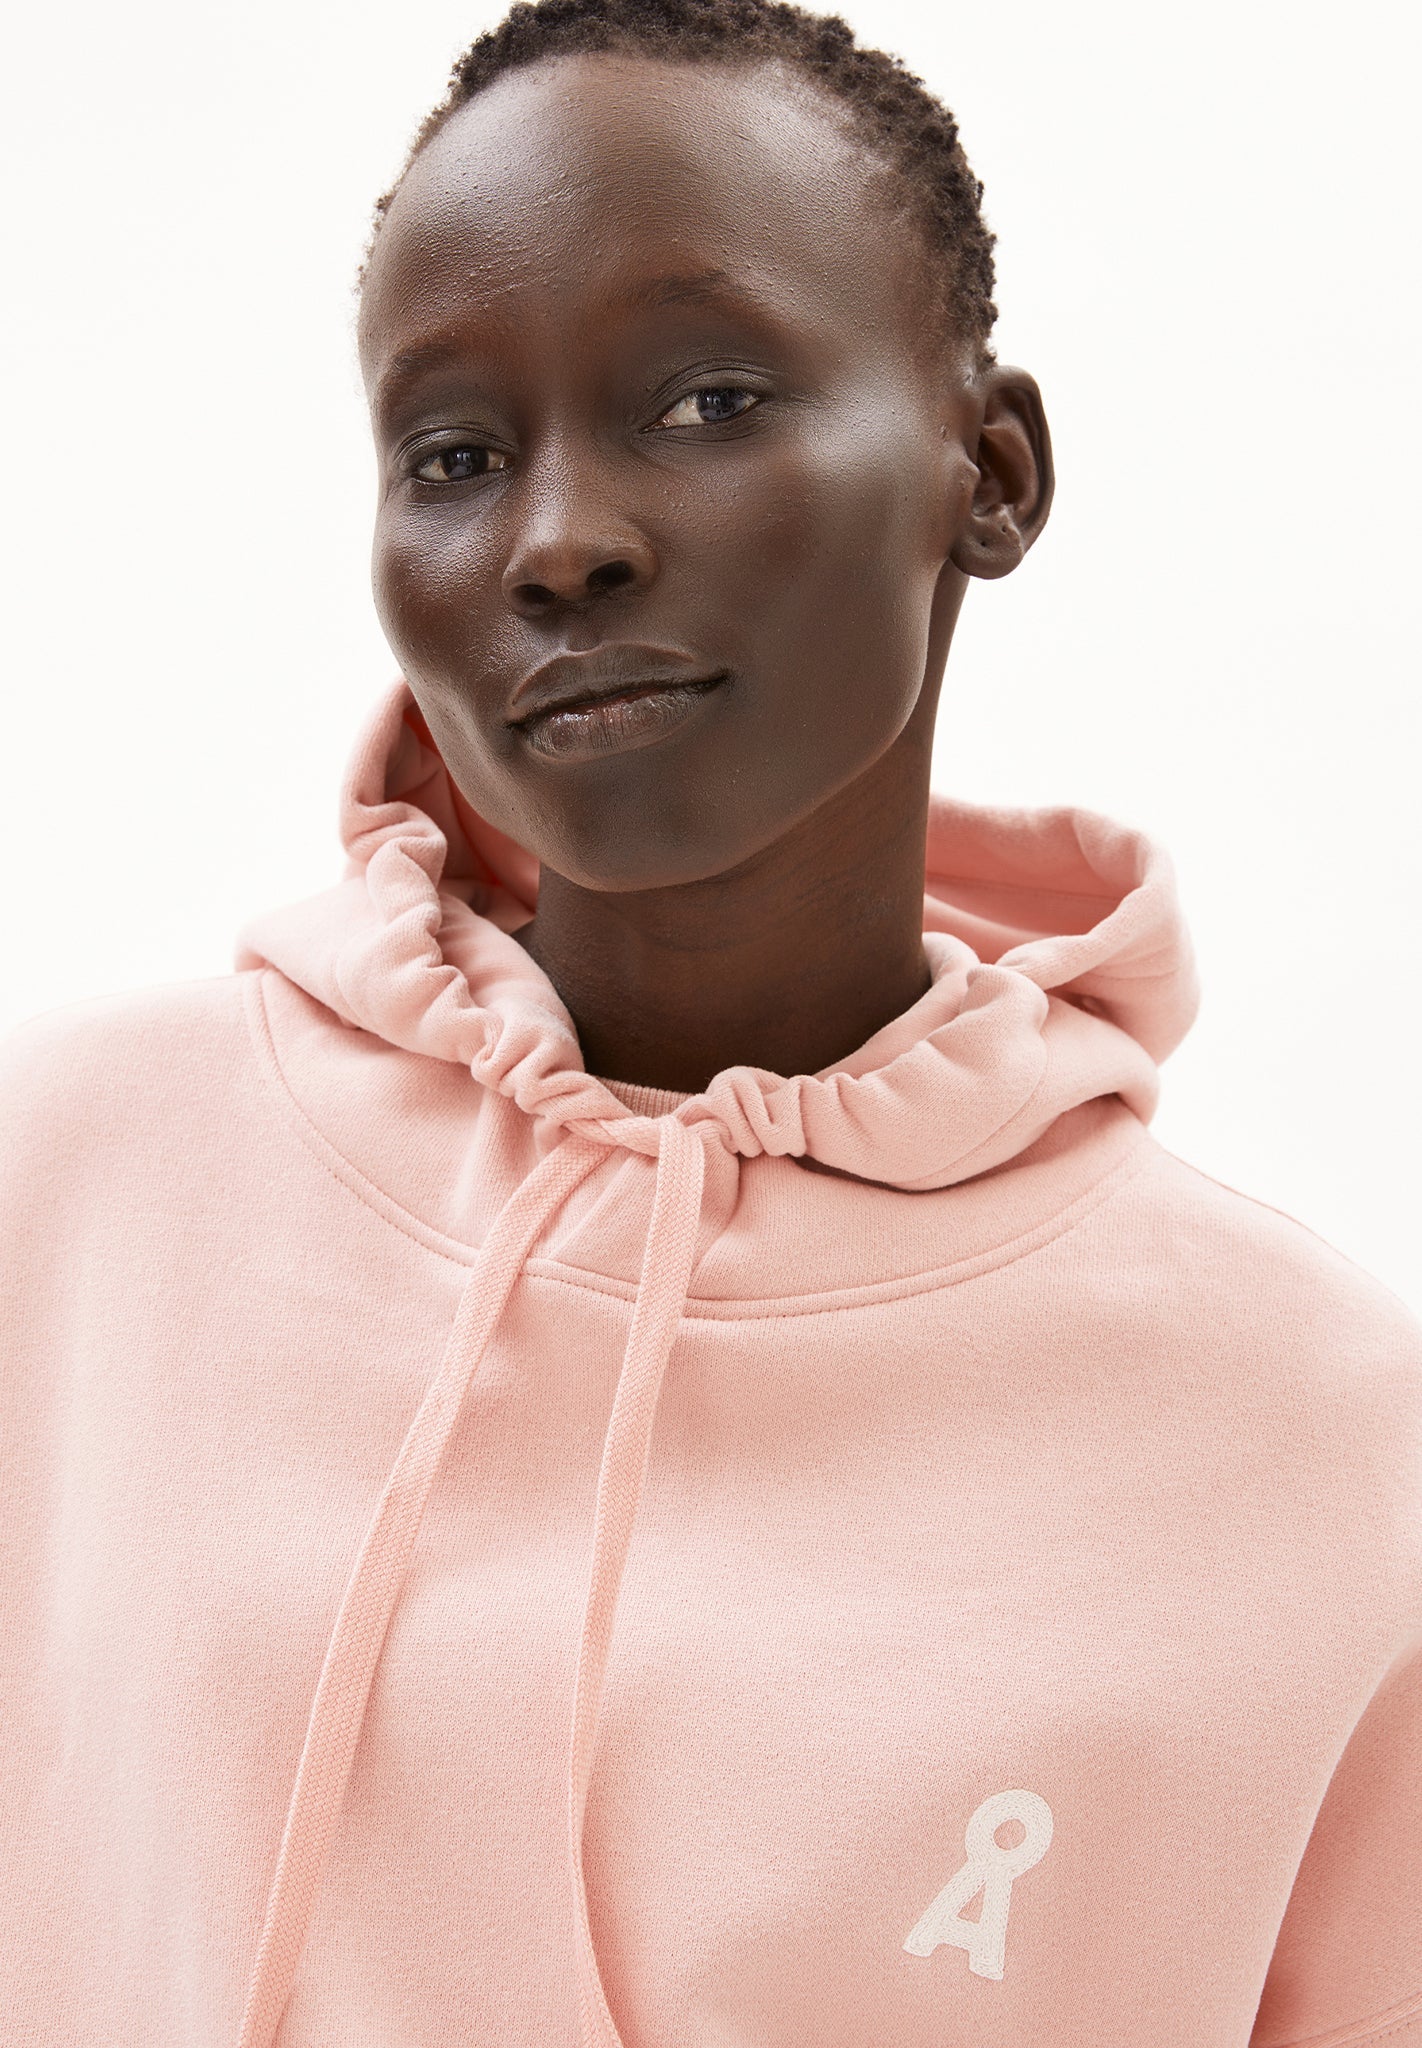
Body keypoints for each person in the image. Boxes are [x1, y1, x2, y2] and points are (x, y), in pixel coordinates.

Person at [2, 0, 1418, 2042]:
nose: (558, 540)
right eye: (453, 454)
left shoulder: (1331, 1443)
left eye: (706, 399)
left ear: (989, 473)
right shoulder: (70, 1186)